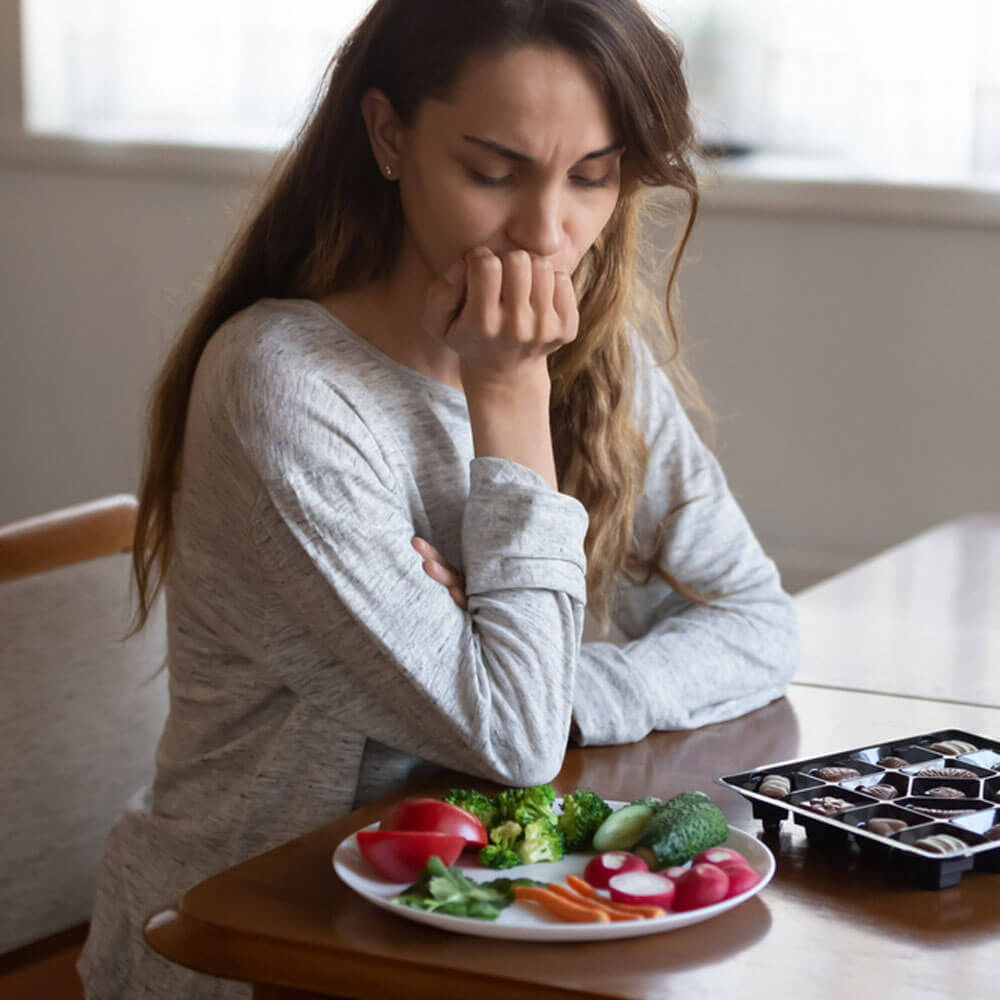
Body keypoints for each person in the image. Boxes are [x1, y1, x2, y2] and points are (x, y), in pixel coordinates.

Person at [79, 1, 798, 996]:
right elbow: (511, 741)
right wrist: (508, 395)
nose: (548, 233)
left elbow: (755, 621)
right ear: (388, 135)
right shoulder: (284, 385)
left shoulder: (596, 356)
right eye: (493, 171)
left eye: (592, 176)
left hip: (487, 922)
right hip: (252, 943)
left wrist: (560, 686)